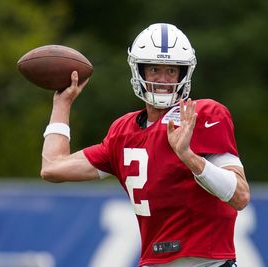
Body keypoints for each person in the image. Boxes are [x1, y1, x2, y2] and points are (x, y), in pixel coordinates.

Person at [41, 23, 250, 267]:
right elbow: (52, 167)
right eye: (154, 69)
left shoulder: (200, 115)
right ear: (139, 71)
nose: (163, 79)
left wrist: (189, 157)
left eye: (171, 70)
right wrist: (62, 104)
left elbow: (240, 196)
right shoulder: (123, 132)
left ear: (184, 74)